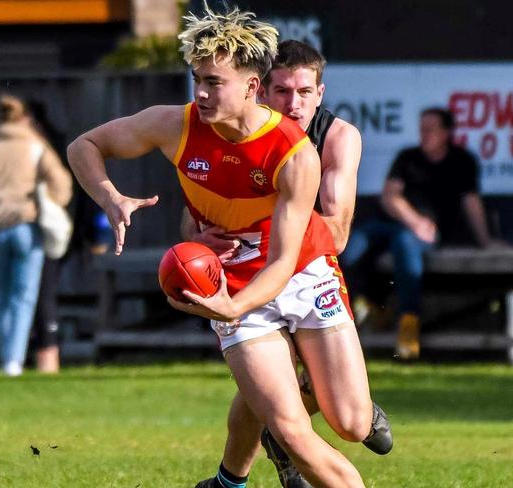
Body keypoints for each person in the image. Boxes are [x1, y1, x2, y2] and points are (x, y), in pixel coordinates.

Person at [67, 6, 373, 487]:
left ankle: (241, 464)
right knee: (292, 432)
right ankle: (251, 457)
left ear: (252, 87)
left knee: (353, 424)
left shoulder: (294, 153)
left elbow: (281, 263)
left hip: (302, 268)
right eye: (197, 79)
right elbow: (84, 145)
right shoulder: (175, 124)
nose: (202, 93)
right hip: (231, 277)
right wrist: (111, 198)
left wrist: (232, 307)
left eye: (215, 82)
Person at [185, 40, 392, 488]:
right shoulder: (234, 128)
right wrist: (202, 239)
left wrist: (272, 226)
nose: (292, 103)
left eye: (303, 92)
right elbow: (194, 218)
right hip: (248, 276)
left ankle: (255, 457)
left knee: (340, 420)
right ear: (260, 91)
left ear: (320, 93)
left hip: (308, 270)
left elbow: (335, 234)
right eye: (282, 91)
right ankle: (234, 477)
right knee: (265, 391)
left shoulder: (336, 137)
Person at [343, 107, 503, 361]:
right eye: (422, 128)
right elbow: (390, 195)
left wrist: (485, 241)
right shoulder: (408, 157)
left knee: (405, 247)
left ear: (447, 132)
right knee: (351, 248)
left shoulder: (462, 161)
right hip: (393, 224)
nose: (424, 134)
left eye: (431, 128)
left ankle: (408, 330)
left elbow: (471, 203)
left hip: (425, 234)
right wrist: (415, 221)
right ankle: (354, 318)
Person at [0, 94, 72, 376]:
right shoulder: (34, 146)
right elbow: (61, 182)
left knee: (2, 297)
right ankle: (14, 359)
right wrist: (50, 203)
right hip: (27, 226)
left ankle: (8, 358)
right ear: (24, 118)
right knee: (23, 297)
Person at [28, 100, 74, 374]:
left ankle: (46, 360)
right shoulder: (33, 147)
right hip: (45, 228)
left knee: (40, 295)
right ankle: (32, 360)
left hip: (50, 229)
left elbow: (68, 187)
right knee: (30, 297)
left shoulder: (50, 147)